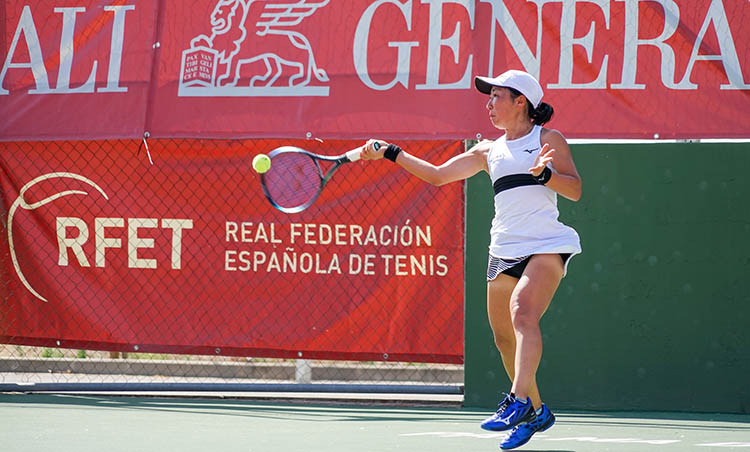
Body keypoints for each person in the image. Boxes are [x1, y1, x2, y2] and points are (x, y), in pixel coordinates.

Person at [360, 69, 582, 450]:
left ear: (521, 102)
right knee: (503, 338)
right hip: (503, 248)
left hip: (545, 243)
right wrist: (392, 152)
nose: (489, 103)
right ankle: (538, 411)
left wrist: (546, 175)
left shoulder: (548, 139)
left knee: (522, 314)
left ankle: (517, 401)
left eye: (497, 96)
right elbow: (436, 175)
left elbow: (575, 189)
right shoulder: (487, 151)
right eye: (489, 96)